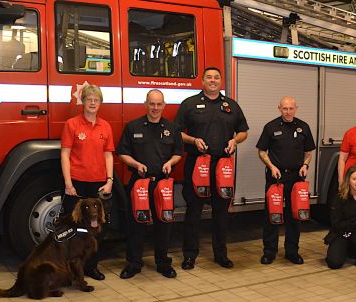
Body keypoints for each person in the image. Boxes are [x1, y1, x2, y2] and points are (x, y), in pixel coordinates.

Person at [175, 67, 249, 270]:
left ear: (221, 81)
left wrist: (235, 140)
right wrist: (193, 139)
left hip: (222, 166)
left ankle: (221, 255)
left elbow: (244, 131)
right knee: (193, 212)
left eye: (217, 77)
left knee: (221, 212)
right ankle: (189, 255)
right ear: (202, 81)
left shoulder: (231, 105)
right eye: (209, 77)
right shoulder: (189, 104)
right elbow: (176, 132)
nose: (213, 80)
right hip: (198, 165)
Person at [117, 89, 183, 279]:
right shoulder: (133, 127)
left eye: (159, 104)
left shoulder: (172, 128)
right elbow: (122, 153)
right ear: (146, 104)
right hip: (139, 184)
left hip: (162, 184)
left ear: (164, 105)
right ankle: (133, 264)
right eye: (152, 104)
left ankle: (163, 263)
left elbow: (178, 152)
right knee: (136, 224)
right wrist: (135, 164)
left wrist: (171, 163)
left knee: (164, 223)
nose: (155, 108)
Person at [61, 84, 114, 281]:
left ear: (100, 103)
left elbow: (108, 155)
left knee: (97, 228)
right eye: (89, 99)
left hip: (98, 184)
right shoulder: (71, 124)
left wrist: (109, 181)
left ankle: (91, 267)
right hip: (76, 184)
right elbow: (65, 154)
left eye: (96, 100)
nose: (93, 103)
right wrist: (68, 183)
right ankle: (69, 270)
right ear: (83, 102)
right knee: (73, 228)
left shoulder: (105, 126)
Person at [256, 96, 315, 265]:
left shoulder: (303, 127)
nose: (288, 112)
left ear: (296, 108)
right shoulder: (271, 127)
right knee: (272, 215)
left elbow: (309, 152)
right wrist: (271, 166)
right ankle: (269, 252)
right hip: (276, 178)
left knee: (294, 216)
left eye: (291, 108)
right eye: (284, 109)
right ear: (279, 108)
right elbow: (261, 151)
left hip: (296, 178)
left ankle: (292, 251)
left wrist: (305, 165)